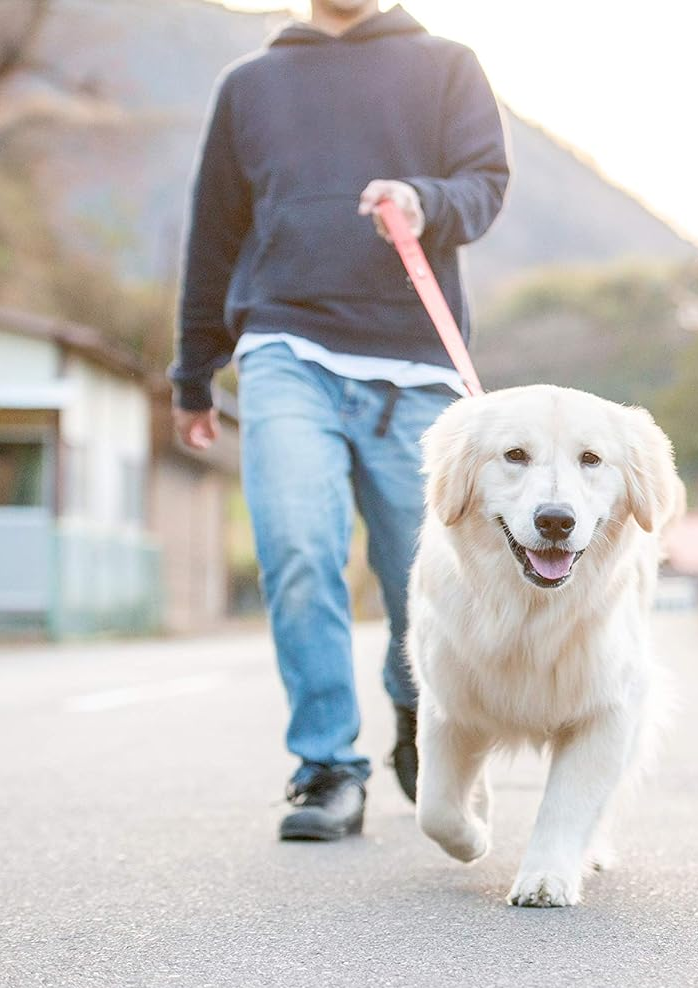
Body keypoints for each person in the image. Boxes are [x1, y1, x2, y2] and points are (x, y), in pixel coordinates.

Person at [170, 0, 509, 841]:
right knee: (296, 547)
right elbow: (213, 233)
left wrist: (424, 200)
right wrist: (193, 372)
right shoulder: (251, 85)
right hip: (286, 348)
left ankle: (417, 705)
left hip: (415, 363)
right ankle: (326, 766)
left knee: (423, 572)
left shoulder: (447, 65)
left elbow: (485, 184)